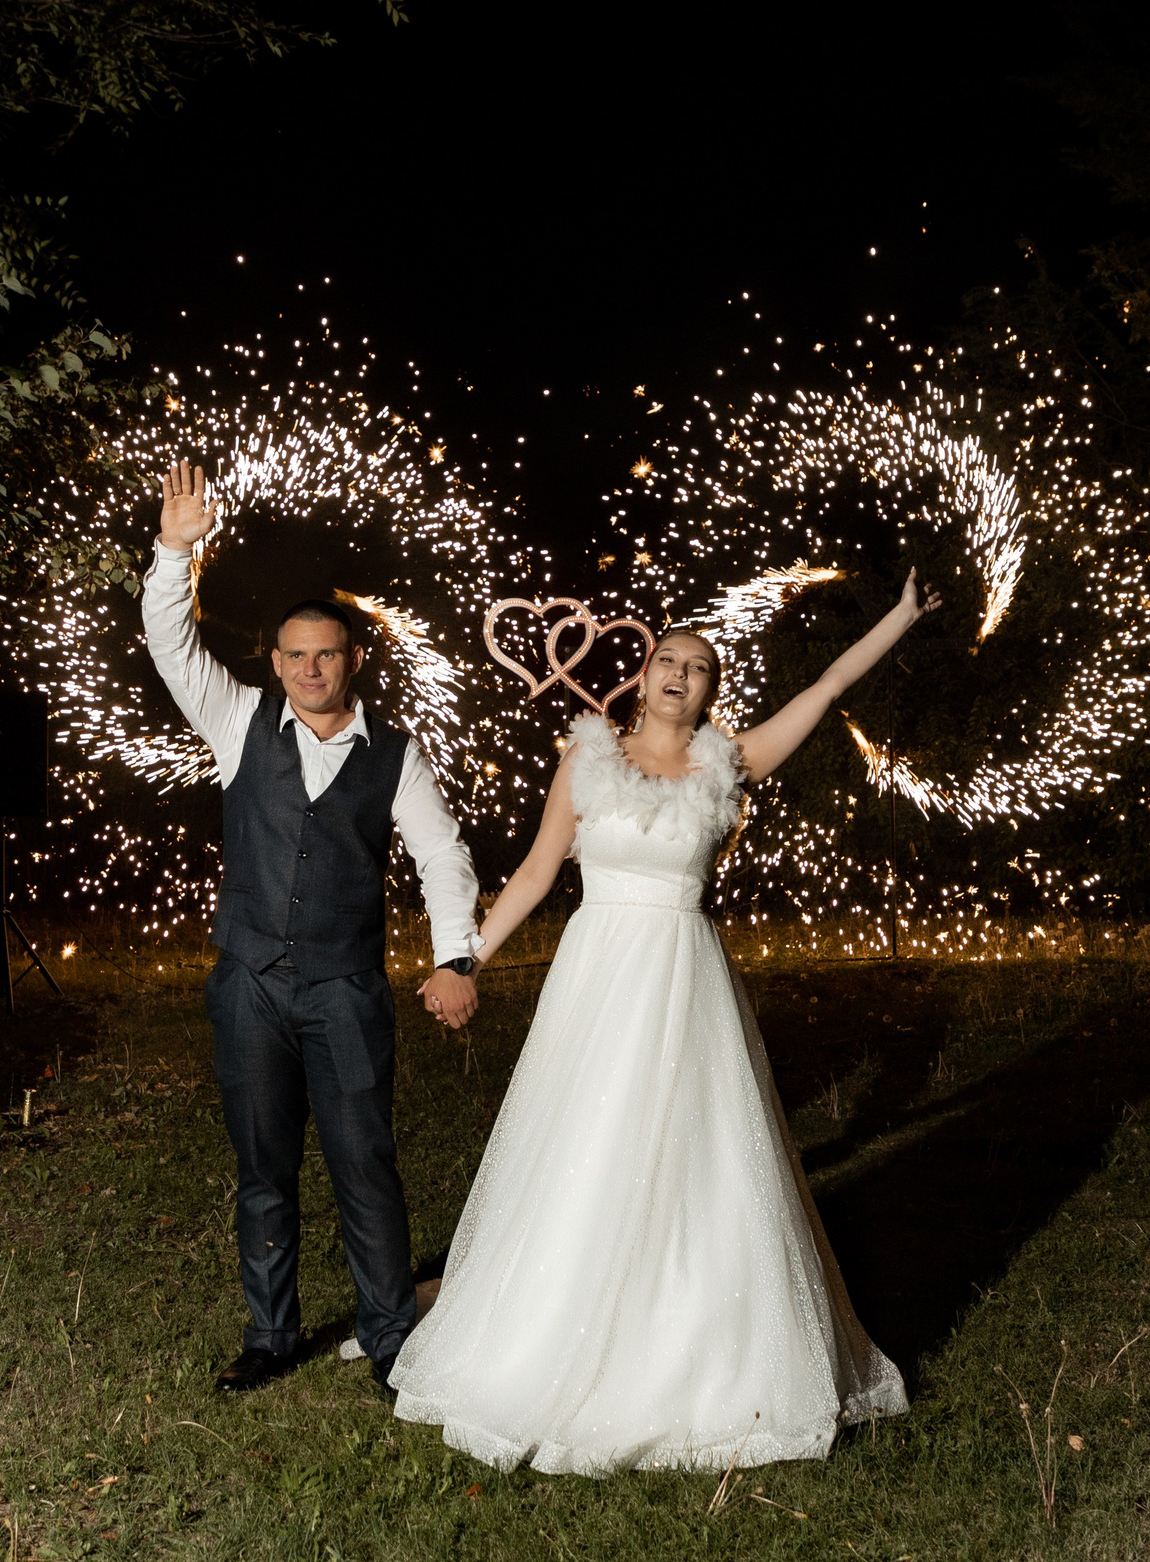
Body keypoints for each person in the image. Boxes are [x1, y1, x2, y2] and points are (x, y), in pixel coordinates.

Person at [388, 584, 924, 1473]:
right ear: (642, 676)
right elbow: (532, 873)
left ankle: (703, 1352)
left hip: (685, 977)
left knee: (700, 1153)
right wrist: (467, 960)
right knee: (586, 1143)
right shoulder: (589, 756)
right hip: (598, 979)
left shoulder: (729, 762)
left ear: (712, 692)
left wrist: (899, 617)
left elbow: (826, 688)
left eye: (700, 668)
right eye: (669, 660)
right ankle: (553, 1326)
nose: (682, 674)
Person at [142, 460, 484, 1394]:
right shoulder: (238, 722)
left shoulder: (398, 759)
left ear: (354, 660)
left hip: (344, 991)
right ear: (276, 661)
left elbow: (443, 860)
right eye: (293, 655)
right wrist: (178, 551)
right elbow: (172, 648)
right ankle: (271, 1334)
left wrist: (455, 956)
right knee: (264, 1169)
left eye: (325, 654)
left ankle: (389, 1338)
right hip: (249, 984)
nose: (308, 668)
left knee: (365, 1165)